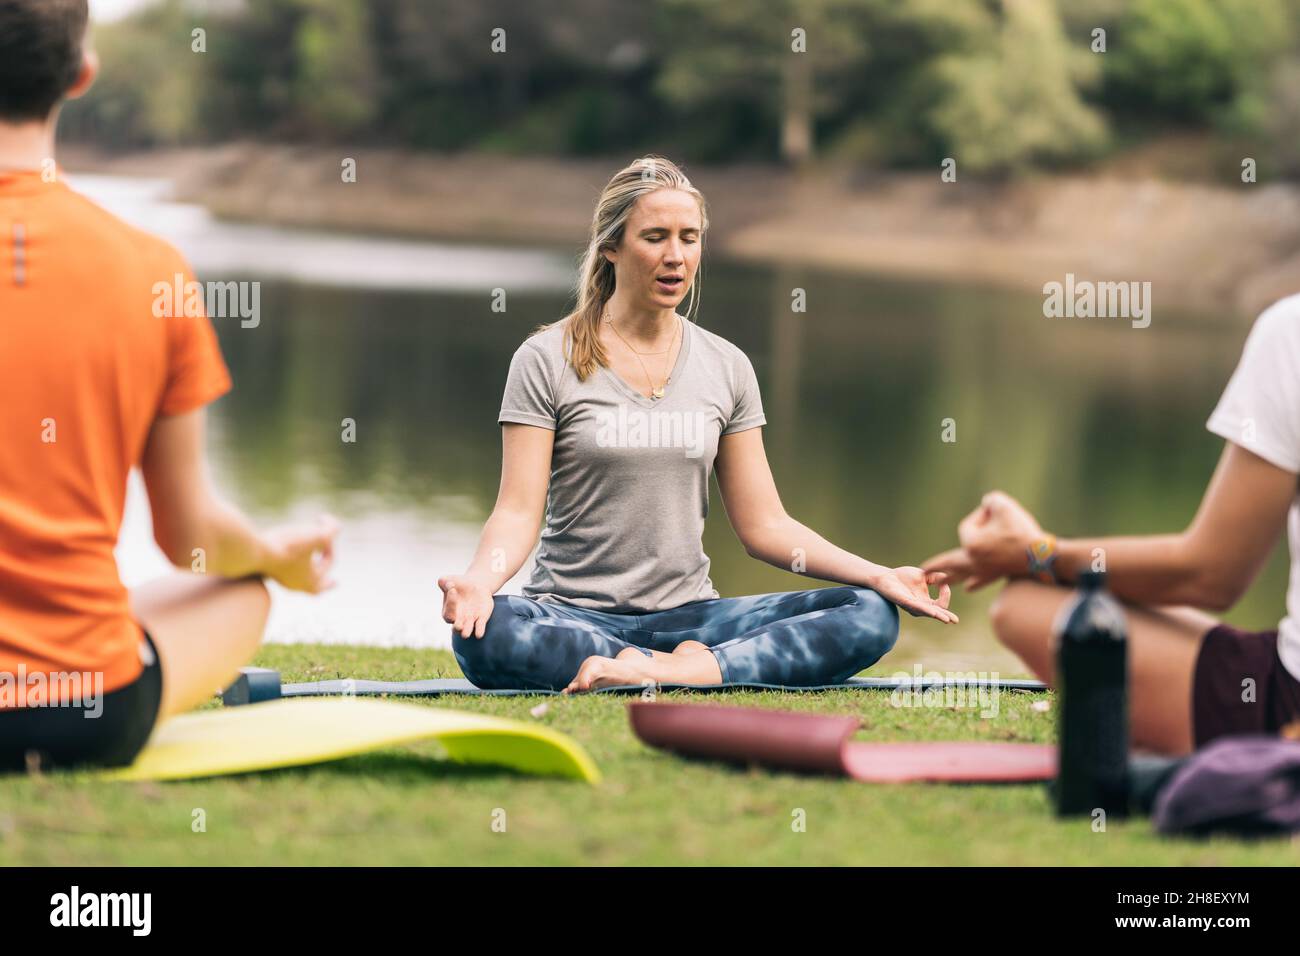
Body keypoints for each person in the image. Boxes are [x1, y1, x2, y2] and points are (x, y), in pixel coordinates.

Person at [439, 155, 955, 693]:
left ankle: (672, 669)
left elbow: (766, 527)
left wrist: (876, 574)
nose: (675, 257)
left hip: (693, 620)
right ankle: (693, 667)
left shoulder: (726, 365)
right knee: (487, 634)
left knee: (869, 612)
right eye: (655, 237)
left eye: (690, 238)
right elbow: (517, 511)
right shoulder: (546, 359)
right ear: (611, 247)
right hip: (575, 618)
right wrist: (479, 581)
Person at [0, 0, 338, 771]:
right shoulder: (153, 271)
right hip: (78, 710)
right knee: (242, 593)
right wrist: (273, 555)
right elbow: (188, 539)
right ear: (81, 75)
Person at [924, 295, 1300, 755]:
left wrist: (1035, 554)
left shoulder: (1290, 328)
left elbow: (1210, 576)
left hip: (1286, 707)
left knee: (1027, 603)